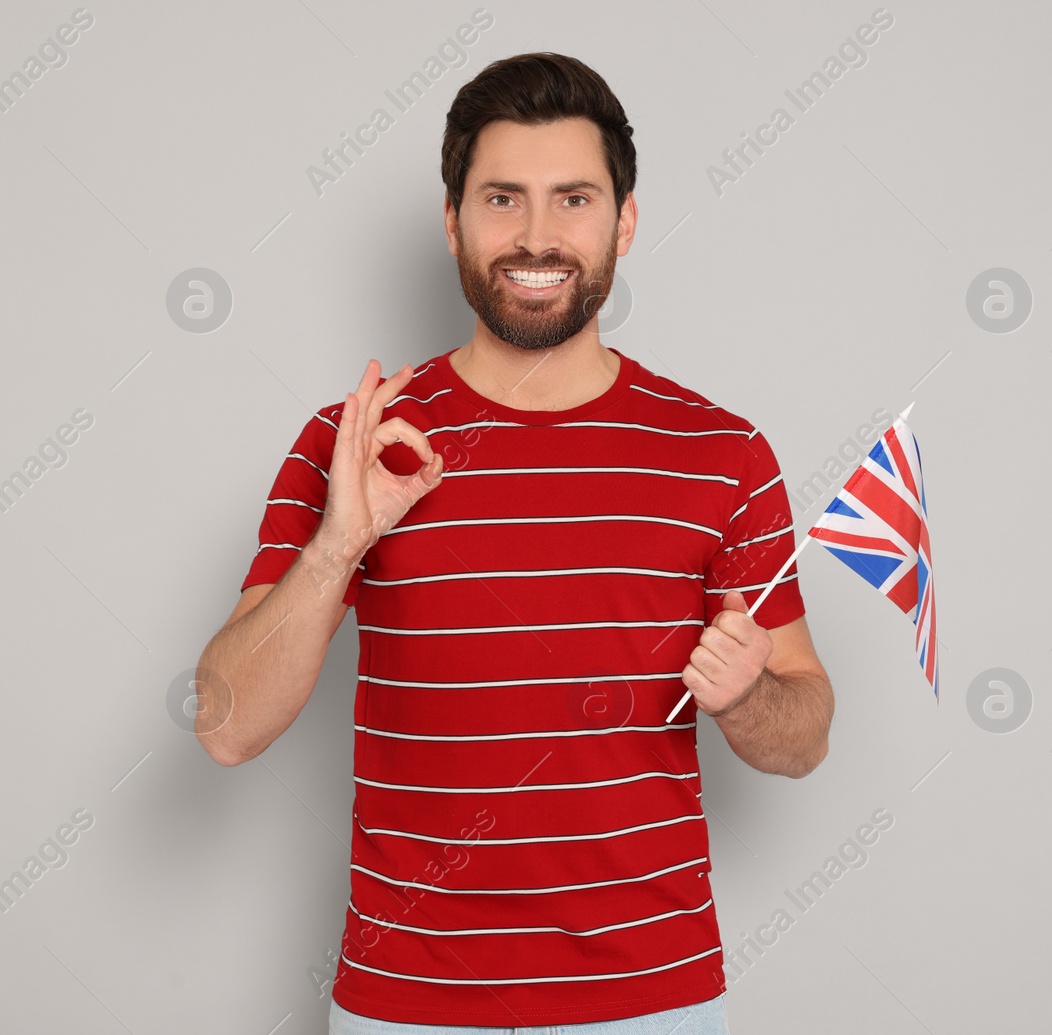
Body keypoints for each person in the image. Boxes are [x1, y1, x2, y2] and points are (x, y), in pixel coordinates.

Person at [193, 52, 833, 1034]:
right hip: (409, 1005)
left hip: (649, 1001)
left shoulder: (722, 452)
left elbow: (806, 735)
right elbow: (227, 722)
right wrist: (340, 541)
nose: (537, 235)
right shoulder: (357, 437)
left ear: (623, 219)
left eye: (572, 198)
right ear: (452, 220)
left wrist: (748, 694)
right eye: (502, 198)